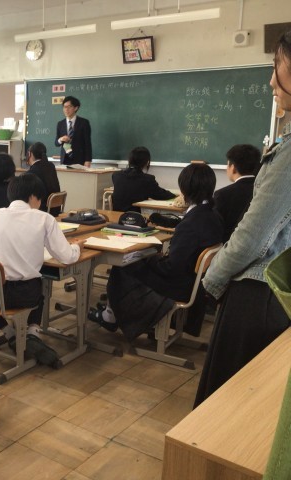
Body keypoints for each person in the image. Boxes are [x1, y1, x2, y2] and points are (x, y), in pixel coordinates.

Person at [195, 31, 291, 407]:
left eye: (277, 65)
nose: (271, 81)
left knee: (224, 409)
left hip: (259, 292)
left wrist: (212, 278)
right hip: (277, 290)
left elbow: (253, 237)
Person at [89, 163, 223, 341]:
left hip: (178, 286)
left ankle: (112, 316)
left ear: (185, 189)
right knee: (135, 260)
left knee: (124, 263)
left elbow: (171, 268)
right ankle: (116, 310)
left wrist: (149, 257)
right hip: (194, 284)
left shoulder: (191, 224)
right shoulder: (213, 215)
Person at [0, 173, 82, 366]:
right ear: (32, 197)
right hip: (25, 294)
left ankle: (10, 334)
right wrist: (78, 247)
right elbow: (66, 257)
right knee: (41, 287)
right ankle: (31, 334)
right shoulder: (44, 219)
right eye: (40, 199)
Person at [213, 144, 261, 243]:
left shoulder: (222, 195)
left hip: (228, 247)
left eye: (228, 165)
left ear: (233, 168)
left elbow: (215, 229)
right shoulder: (263, 191)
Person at [111, 146, 176, 213]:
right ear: (147, 162)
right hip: (136, 217)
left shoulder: (116, 175)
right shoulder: (147, 179)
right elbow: (161, 195)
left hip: (116, 216)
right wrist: (175, 196)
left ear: (129, 160)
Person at [55, 96, 92, 167]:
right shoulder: (60, 124)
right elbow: (56, 143)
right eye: (64, 107)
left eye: (69, 107)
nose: (66, 109)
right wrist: (61, 139)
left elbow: (87, 143)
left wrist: (88, 160)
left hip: (80, 160)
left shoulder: (84, 123)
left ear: (76, 108)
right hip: (65, 159)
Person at [26, 142, 61, 215]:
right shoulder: (51, 166)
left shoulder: (31, 172)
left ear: (30, 154)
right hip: (55, 209)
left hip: (42, 211)